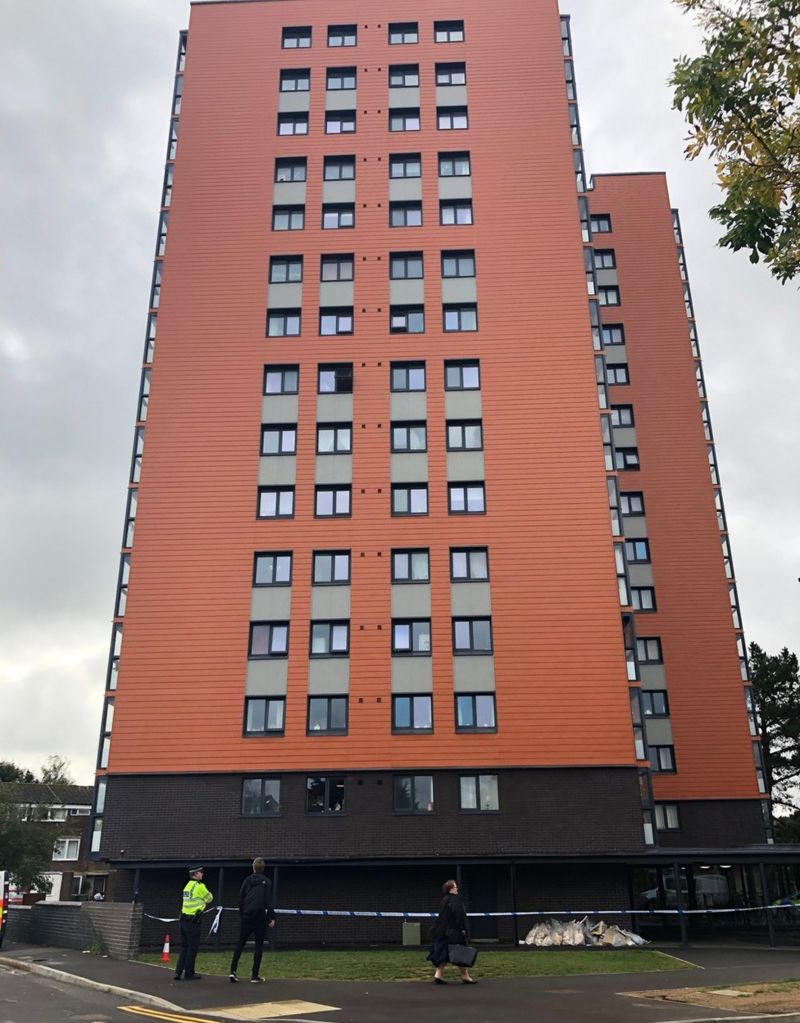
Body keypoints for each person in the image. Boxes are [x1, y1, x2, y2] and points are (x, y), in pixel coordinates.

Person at [229, 857, 276, 983]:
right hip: (259, 916)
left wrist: (242, 913)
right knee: (259, 946)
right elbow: (268, 901)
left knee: (240, 943)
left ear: (253, 867)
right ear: (263, 868)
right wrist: (271, 917)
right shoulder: (266, 881)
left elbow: (241, 897)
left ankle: (232, 971)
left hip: (247, 915)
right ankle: (254, 975)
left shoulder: (247, 880)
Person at [426, 879, 477, 984]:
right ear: (450, 889)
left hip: (443, 932)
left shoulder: (444, 900)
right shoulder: (455, 900)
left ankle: (438, 975)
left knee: (443, 953)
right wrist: (463, 928)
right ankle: (465, 976)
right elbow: (459, 915)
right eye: (455, 887)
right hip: (454, 932)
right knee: (460, 952)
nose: (457, 888)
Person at [174, 866, 213, 981]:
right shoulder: (199, 886)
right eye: (201, 872)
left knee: (184, 947)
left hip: (183, 920)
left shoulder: (187, 886)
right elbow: (210, 898)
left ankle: (178, 972)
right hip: (193, 921)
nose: (203, 874)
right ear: (195, 874)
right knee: (193, 948)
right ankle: (189, 973)